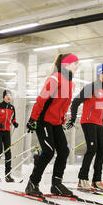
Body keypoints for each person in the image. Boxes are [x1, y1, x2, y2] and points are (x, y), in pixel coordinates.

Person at [25, 53, 79, 197]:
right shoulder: (55, 78)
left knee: (63, 151)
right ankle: (32, 183)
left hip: (55, 122)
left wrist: (62, 119)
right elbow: (42, 99)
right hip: (44, 120)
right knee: (48, 151)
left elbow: (64, 104)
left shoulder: (71, 83)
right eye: (75, 63)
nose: (77, 66)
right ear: (66, 64)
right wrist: (32, 119)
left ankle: (56, 185)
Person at [67, 63, 103, 191]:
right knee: (92, 149)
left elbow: (101, 109)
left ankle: (97, 180)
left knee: (101, 150)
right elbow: (75, 102)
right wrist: (73, 118)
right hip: (88, 121)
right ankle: (82, 179)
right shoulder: (91, 87)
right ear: (99, 73)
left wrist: (101, 123)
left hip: (98, 123)